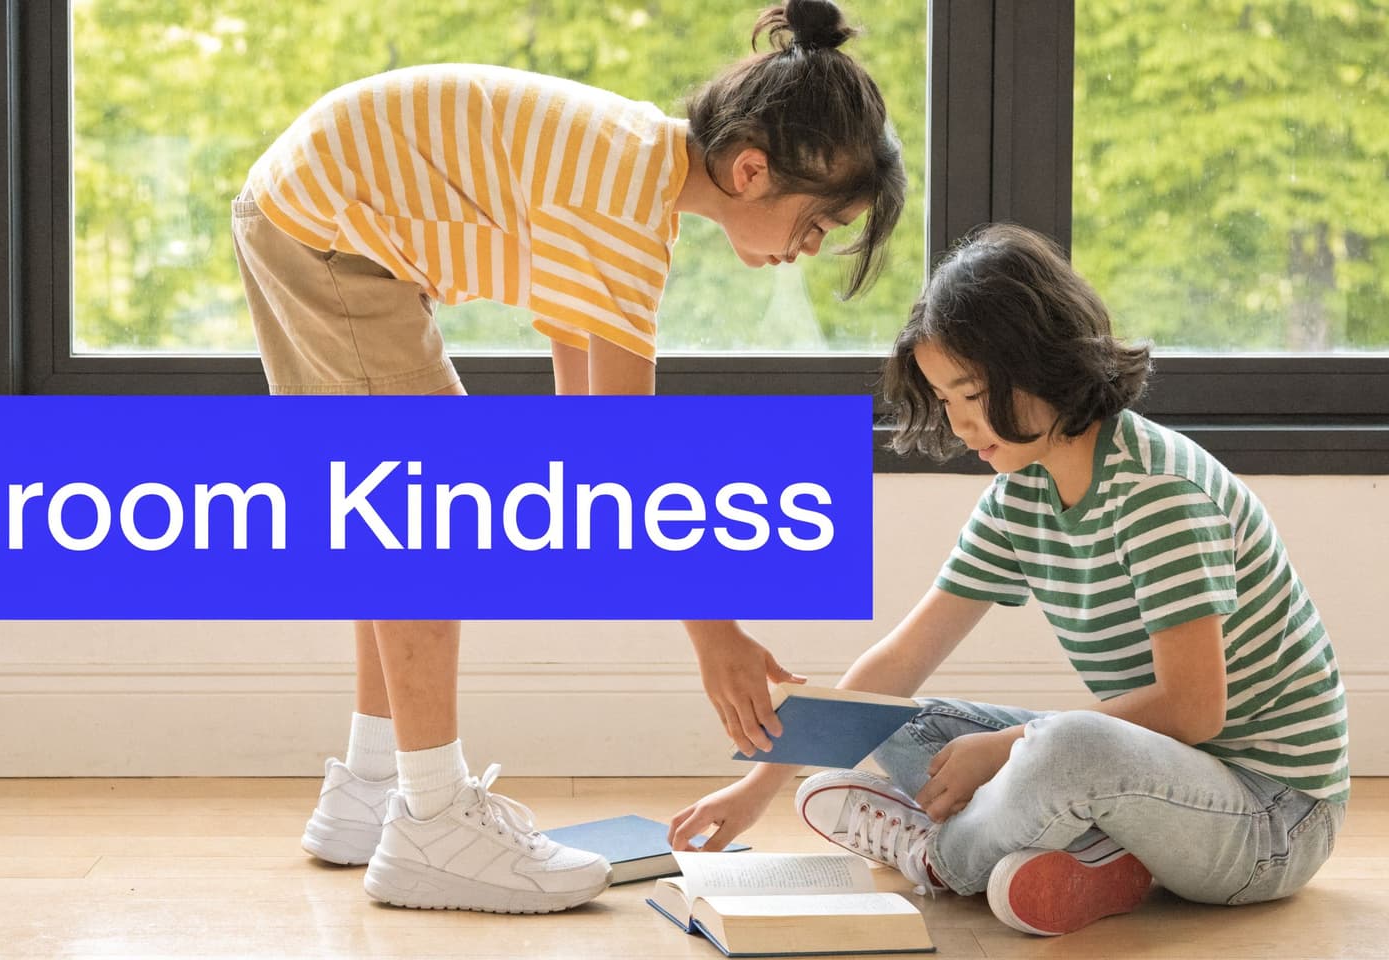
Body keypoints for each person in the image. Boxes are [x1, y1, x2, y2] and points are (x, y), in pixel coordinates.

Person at [231, 0, 909, 914]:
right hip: (327, 232)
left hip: (306, 215)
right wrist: (717, 638)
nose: (809, 250)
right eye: (819, 225)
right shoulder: (625, 210)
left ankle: (372, 785)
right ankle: (430, 817)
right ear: (751, 170)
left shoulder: (629, 176)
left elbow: (590, 440)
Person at [669, 223, 1348, 936]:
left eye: (972, 394)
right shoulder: (1021, 493)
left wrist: (1009, 747)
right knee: (905, 723)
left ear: (1041, 362)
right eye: (946, 400)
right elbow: (898, 662)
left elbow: (1194, 711)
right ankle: (1092, 856)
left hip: (1274, 820)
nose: (961, 425)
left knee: (1064, 746)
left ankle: (938, 857)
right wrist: (757, 791)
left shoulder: (1157, 491)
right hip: (1166, 782)